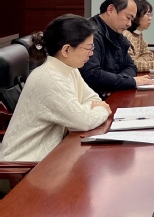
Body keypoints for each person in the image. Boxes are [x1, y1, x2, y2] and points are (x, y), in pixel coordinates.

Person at [1, 15, 111, 162]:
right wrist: (101, 110)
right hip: (25, 163)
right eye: (88, 48)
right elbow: (84, 121)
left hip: (52, 154)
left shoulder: (69, 68)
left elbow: (92, 99)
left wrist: (83, 111)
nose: (91, 53)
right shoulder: (49, 77)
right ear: (66, 50)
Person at [80, 0, 154, 92]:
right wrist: (129, 81)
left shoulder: (117, 34)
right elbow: (92, 74)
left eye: (132, 20)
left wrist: (116, 83)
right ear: (110, 9)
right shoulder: (89, 33)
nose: (129, 24)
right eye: (128, 18)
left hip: (110, 92)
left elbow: (131, 66)